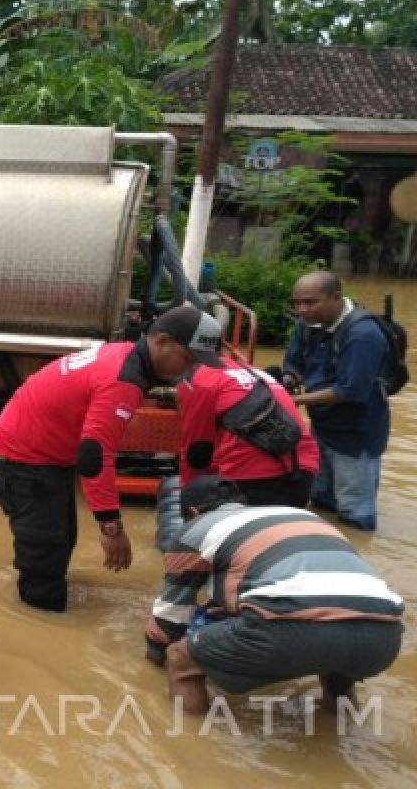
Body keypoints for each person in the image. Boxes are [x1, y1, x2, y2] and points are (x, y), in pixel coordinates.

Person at [0, 304, 225, 612]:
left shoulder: (127, 355)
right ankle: (38, 626)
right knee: (46, 554)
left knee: (58, 541)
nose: (190, 370)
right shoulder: (123, 380)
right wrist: (112, 529)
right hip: (21, 462)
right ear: (161, 342)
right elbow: (94, 456)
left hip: (40, 456)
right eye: (188, 359)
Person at [146, 474, 404, 714]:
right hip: (383, 634)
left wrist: (156, 654)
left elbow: (171, 615)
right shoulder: (301, 516)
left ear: (191, 512)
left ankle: (188, 747)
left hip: (288, 628)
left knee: (180, 657)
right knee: (336, 662)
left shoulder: (194, 529)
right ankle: (341, 727)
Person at [282, 270, 390, 530]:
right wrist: (289, 379)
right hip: (322, 426)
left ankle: (357, 553)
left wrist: (294, 402)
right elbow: (294, 360)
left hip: (356, 434)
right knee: (320, 499)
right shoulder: (307, 325)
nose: (302, 310)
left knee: (355, 513)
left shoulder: (363, 335)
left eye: (310, 302)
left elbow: (350, 390)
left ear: (336, 298)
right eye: (297, 303)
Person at [175, 357, 318, 508]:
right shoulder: (248, 370)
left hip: (250, 476)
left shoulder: (195, 381)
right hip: (302, 469)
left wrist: (189, 496)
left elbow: (196, 452)